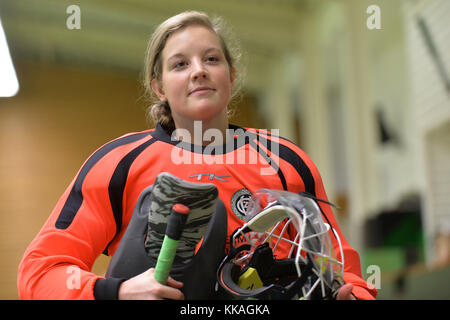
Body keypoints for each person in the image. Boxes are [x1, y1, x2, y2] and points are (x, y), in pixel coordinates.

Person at [17, 10, 377, 300]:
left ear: (231, 75)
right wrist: (118, 291)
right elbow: (39, 272)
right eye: (180, 64)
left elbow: (343, 265)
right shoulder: (118, 163)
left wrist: (352, 294)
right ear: (158, 86)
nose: (199, 71)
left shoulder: (286, 160)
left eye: (211, 59)